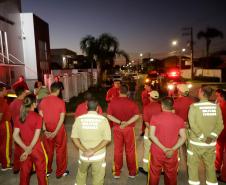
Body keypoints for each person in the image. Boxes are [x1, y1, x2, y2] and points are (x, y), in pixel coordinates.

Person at [187, 86, 223, 185]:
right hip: (210, 144)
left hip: (196, 144)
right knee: (210, 167)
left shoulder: (194, 107)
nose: (197, 93)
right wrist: (211, 137)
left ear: (202, 93)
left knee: (193, 167)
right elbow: (220, 125)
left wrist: (202, 137)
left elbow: (193, 125)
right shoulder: (216, 107)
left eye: (199, 91)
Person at [71, 99, 111, 185]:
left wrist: (85, 150)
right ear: (97, 108)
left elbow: (74, 137)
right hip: (99, 156)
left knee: (81, 173)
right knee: (98, 176)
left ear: (86, 107)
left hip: (84, 155)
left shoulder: (79, 119)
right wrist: (93, 150)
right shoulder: (103, 120)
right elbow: (107, 139)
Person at [149, 97, 186, 185]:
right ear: (172, 106)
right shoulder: (179, 119)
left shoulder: (155, 118)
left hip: (157, 151)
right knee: (171, 175)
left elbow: (151, 135)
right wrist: (172, 149)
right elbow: (183, 137)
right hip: (172, 153)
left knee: (154, 174)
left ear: (162, 106)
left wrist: (164, 149)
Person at [13, 94, 48, 185]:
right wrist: (29, 149)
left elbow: (15, 135)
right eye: (36, 101)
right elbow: (36, 136)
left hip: (23, 147)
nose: (37, 103)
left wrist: (25, 149)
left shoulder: (19, 117)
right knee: (41, 172)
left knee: (24, 173)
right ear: (33, 104)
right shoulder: (38, 117)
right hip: (36, 148)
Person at [107, 84, 139, 178]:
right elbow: (137, 115)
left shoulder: (113, 102)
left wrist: (120, 122)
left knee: (118, 150)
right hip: (129, 129)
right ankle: (132, 172)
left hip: (117, 128)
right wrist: (127, 123)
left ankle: (117, 172)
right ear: (127, 92)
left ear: (119, 91)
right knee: (130, 151)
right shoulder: (132, 103)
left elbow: (109, 116)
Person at [39, 82, 69, 178]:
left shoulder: (43, 101)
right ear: (58, 90)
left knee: (48, 150)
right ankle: (60, 172)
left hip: (47, 128)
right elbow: (62, 118)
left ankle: (47, 170)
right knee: (60, 150)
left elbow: (41, 117)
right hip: (58, 129)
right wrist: (56, 131)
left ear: (50, 89)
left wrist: (44, 130)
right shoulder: (61, 102)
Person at [139, 90, 161, 175]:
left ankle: (146, 168)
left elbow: (146, 122)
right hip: (160, 131)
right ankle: (161, 169)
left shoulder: (147, 107)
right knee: (159, 150)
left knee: (147, 149)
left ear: (150, 98)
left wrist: (151, 130)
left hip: (149, 131)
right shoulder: (162, 107)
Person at [9, 86, 27, 173]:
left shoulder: (12, 103)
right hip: (23, 129)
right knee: (25, 149)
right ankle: (26, 168)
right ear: (22, 93)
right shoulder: (22, 104)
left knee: (17, 150)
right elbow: (25, 118)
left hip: (15, 128)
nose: (26, 93)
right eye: (25, 92)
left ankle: (16, 167)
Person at [0, 84, 12, 171]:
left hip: (2, 124)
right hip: (5, 124)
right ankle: (6, 164)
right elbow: (0, 115)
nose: (6, 91)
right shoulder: (1, 101)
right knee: (6, 144)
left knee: (1, 144)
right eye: (5, 89)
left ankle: (2, 161)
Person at [215, 91, 226, 182]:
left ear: (222, 97)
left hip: (222, 131)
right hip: (222, 131)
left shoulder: (220, 106)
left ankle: (223, 175)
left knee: (219, 151)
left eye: (217, 96)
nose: (216, 97)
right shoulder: (220, 105)